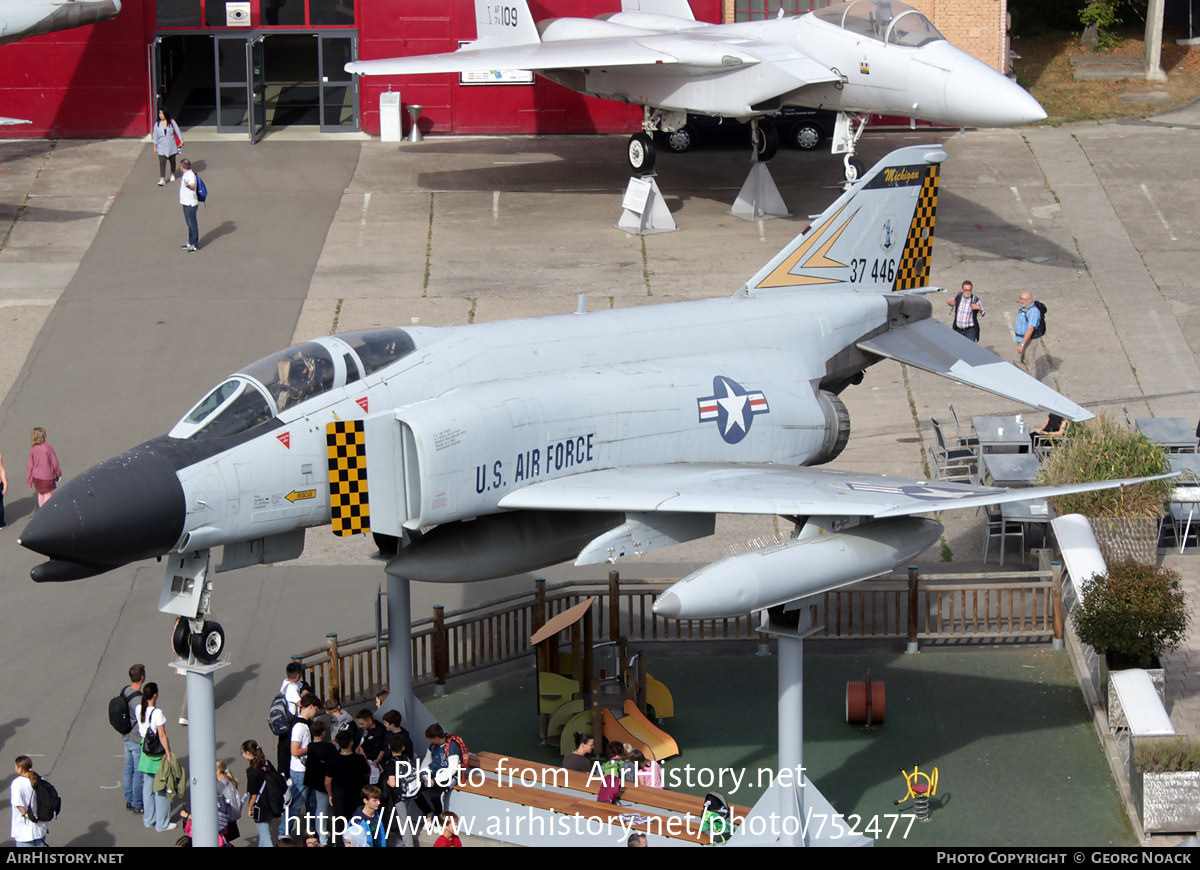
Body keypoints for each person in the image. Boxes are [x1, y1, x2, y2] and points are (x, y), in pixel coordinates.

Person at [136, 681, 177, 832]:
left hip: (145, 750)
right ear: (155, 695)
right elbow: (162, 735)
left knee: (148, 786)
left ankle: (148, 819)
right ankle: (162, 823)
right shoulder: (157, 713)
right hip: (157, 753)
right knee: (161, 788)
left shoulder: (139, 708)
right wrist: (168, 754)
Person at [281, 692, 319, 841]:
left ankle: (310, 833)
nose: (316, 712)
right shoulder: (300, 727)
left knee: (311, 803)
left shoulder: (301, 724)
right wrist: (313, 748)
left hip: (305, 770)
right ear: (310, 706)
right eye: (315, 708)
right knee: (296, 805)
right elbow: (294, 750)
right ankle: (284, 832)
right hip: (300, 771)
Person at [325, 729, 369, 846]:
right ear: (351, 742)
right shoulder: (358, 759)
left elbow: (327, 781)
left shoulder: (333, 759)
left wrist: (330, 794)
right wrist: (363, 755)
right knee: (357, 825)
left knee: (340, 827)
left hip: (339, 796)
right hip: (356, 796)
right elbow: (368, 772)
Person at [415, 723, 462, 819]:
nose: (430, 741)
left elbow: (452, 769)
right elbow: (426, 762)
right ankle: (428, 812)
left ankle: (441, 821)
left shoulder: (451, 747)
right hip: (433, 774)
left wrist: (435, 780)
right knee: (414, 791)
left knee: (436, 797)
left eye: (430, 738)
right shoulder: (432, 746)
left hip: (449, 777)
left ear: (436, 738)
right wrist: (424, 774)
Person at [121, 663, 146, 815]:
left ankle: (129, 800)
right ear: (142, 678)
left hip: (126, 735)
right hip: (136, 738)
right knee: (138, 772)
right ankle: (137, 803)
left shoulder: (125, 691)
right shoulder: (139, 699)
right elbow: (142, 720)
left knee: (128, 769)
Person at [243, 739, 278, 847]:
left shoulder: (252, 772)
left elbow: (253, 795)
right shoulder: (267, 764)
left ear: (249, 753)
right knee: (264, 835)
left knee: (265, 837)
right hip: (272, 802)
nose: (243, 755)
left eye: (243, 752)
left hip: (261, 807)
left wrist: (249, 808)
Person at [11, 756, 48, 847]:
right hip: (40, 827)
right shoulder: (39, 779)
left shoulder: (17, 783)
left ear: (20, 769)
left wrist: (25, 814)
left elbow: (18, 803)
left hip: (24, 830)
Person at [26, 427, 60, 508]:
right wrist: (58, 473)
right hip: (48, 476)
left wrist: (29, 480)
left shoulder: (33, 450)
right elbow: (55, 462)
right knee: (48, 493)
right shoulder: (48, 448)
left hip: (37, 477)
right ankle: (47, 511)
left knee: (40, 493)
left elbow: (30, 466)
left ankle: (41, 509)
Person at [152, 108, 182, 187]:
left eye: (162, 113)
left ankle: (173, 173)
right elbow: (155, 136)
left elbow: (177, 130)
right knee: (162, 163)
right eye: (160, 114)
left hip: (171, 145)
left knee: (172, 161)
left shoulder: (171, 122)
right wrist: (155, 147)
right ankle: (162, 179)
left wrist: (181, 139)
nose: (161, 115)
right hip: (161, 146)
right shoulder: (157, 124)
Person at [1015, 291, 1042, 373]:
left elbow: (1030, 330)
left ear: (1030, 300)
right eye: (1021, 298)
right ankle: (1027, 375)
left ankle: (1032, 381)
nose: (1022, 301)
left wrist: (1022, 344)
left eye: (1024, 299)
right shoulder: (1024, 309)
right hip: (1020, 339)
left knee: (1030, 363)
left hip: (1029, 341)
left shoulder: (1033, 311)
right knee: (1016, 360)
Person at [216, 759, 242, 844]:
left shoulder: (218, 786)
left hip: (223, 821)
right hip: (231, 820)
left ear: (218, 771)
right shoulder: (229, 780)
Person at [179, 157, 200, 253]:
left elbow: (192, 186)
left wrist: (187, 186)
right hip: (186, 202)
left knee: (192, 224)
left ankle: (195, 244)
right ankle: (191, 242)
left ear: (183, 167)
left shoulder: (190, 176)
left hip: (190, 204)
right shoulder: (186, 174)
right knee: (189, 223)